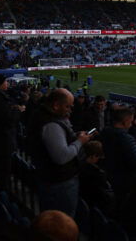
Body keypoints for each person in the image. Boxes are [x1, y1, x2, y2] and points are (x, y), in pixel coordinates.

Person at [26, 89, 91, 217]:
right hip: (59, 182)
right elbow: (61, 157)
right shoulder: (51, 124)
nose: (70, 110)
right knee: (61, 222)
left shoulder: (43, 115)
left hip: (51, 178)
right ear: (56, 105)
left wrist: (73, 137)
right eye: (67, 106)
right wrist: (80, 142)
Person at [99, 106, 136, 196]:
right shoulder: (125, 138)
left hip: (112, 175)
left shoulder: (105, 132)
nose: (131, 125)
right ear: (125, 121)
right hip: (126, 180)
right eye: (130, 122)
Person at [78, 141, 114, 214]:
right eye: (99, 156)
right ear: (94, 156)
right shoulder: (98, 173)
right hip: (97, 206)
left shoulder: (78, 168)